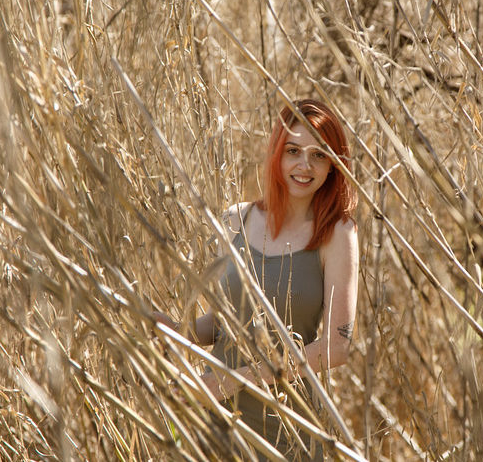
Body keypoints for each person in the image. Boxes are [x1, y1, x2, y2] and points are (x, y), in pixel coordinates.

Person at [154, 99, 359, 460]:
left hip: (285, 425)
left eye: (318, 155)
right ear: (277, 153)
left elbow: (336, 347)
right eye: (293, 151)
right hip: (216, 420)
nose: (304, 165)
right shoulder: (236, 219)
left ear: (333, 165)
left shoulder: (338, 233)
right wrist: (174, 331)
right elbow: (224, 322)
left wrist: (231, 380)